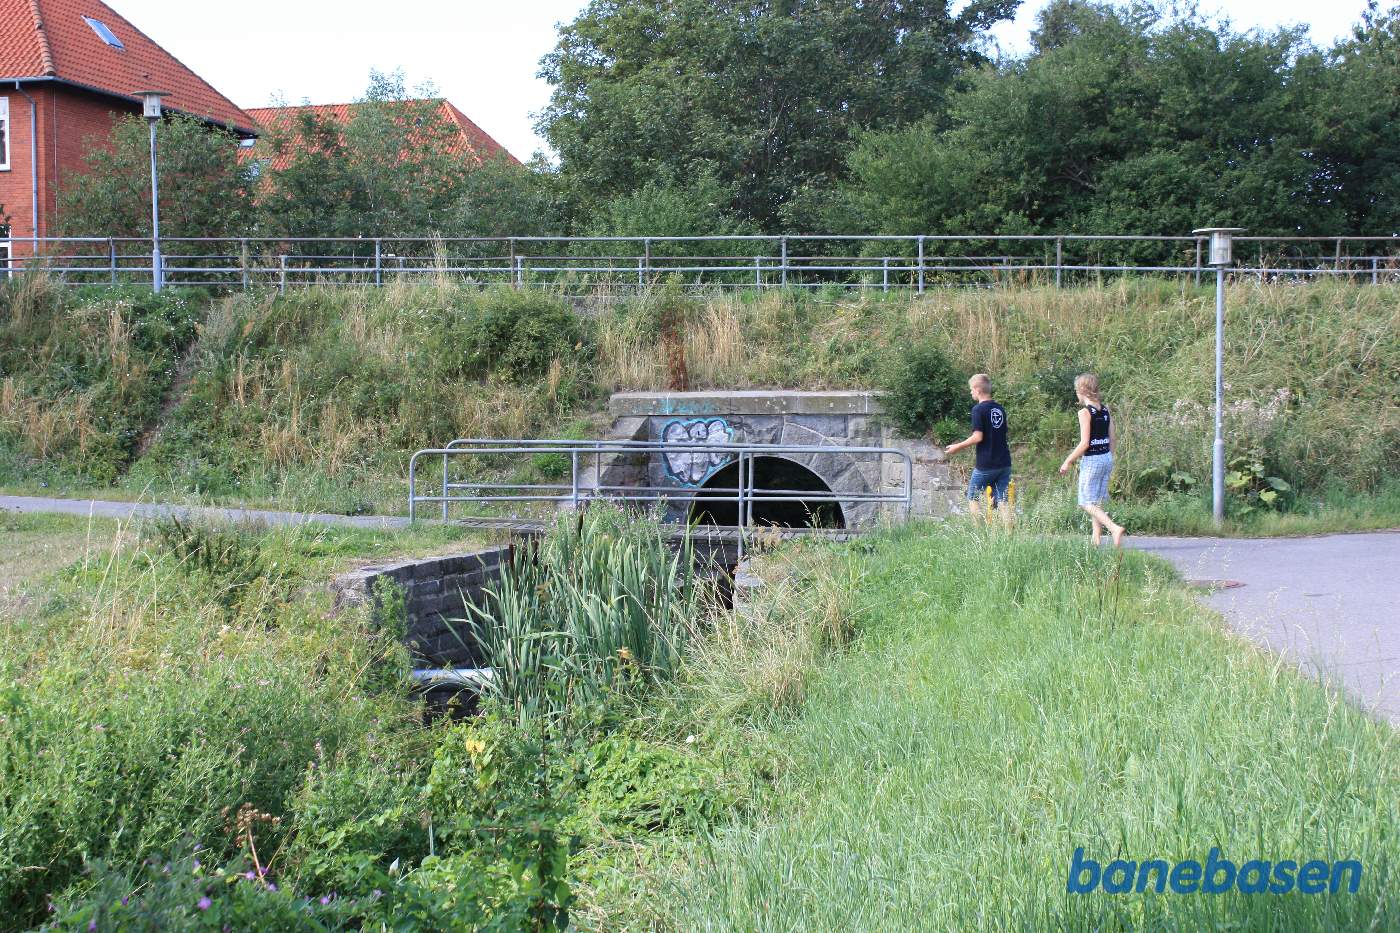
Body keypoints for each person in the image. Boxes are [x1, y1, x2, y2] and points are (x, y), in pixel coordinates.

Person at [1059, 373, 1126, 547]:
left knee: (1086, 502)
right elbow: (1113, 439)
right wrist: (1109, 456)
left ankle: (1113, 528)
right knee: (1096, 501)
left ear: (1081, 391)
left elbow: (1084, 443)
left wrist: (1068, 461)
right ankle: (1096, 541)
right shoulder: (1105, 410)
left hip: (1092, 460)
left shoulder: (1084, 412)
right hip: (1106, 457)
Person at [945, 373, 1013, 526]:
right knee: (1002, 499)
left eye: (971, 389)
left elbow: (978, 437)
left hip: (986, 464)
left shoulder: (978, 410)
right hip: (1004, 462)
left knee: (972, 496)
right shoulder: (999, 409)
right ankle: (1009, 535)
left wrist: (957, 446)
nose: (970, 392)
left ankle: (980, 533)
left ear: (977, 389)